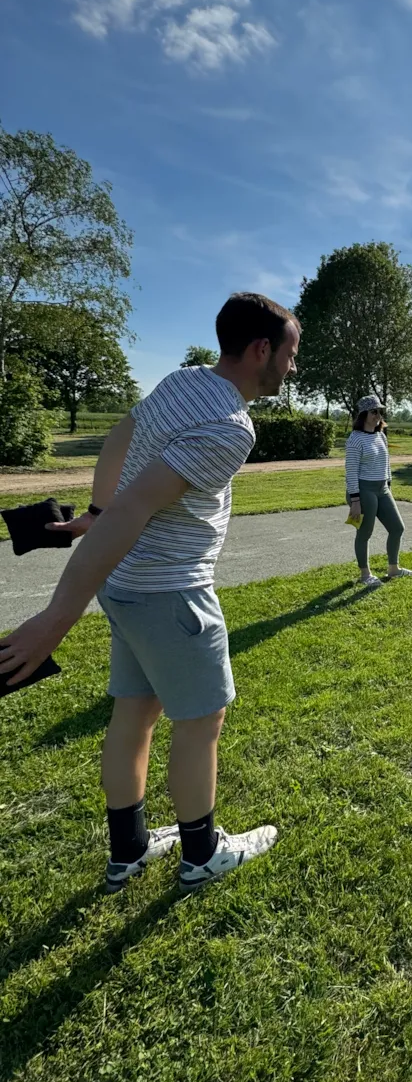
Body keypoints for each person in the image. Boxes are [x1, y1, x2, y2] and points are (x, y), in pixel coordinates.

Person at [0, 292, 300, 894]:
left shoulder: (185, 379)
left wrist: (95, 510)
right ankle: (201, 855)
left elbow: (120, 437)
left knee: (134, 714)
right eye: (290, 355)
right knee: (202, 720)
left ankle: (129, 852)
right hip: (172, 592)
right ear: (261, 349)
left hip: (127, 588)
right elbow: (138, 505)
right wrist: (58, 617)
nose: (292, 369)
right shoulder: (229, 427)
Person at [344, 395, 412, 589]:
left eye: (379, 411)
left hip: (382, 488)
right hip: (363, 490)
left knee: (397, 528)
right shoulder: (355, 439)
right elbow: (351, 472)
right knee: (365, 532)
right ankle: (365, 574)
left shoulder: (381, 435)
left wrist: (389, 485)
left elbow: (387, 463)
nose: (378, 415)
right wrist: (355, 500)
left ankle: (393, 569)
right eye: (374, 411)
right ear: (364, 414)